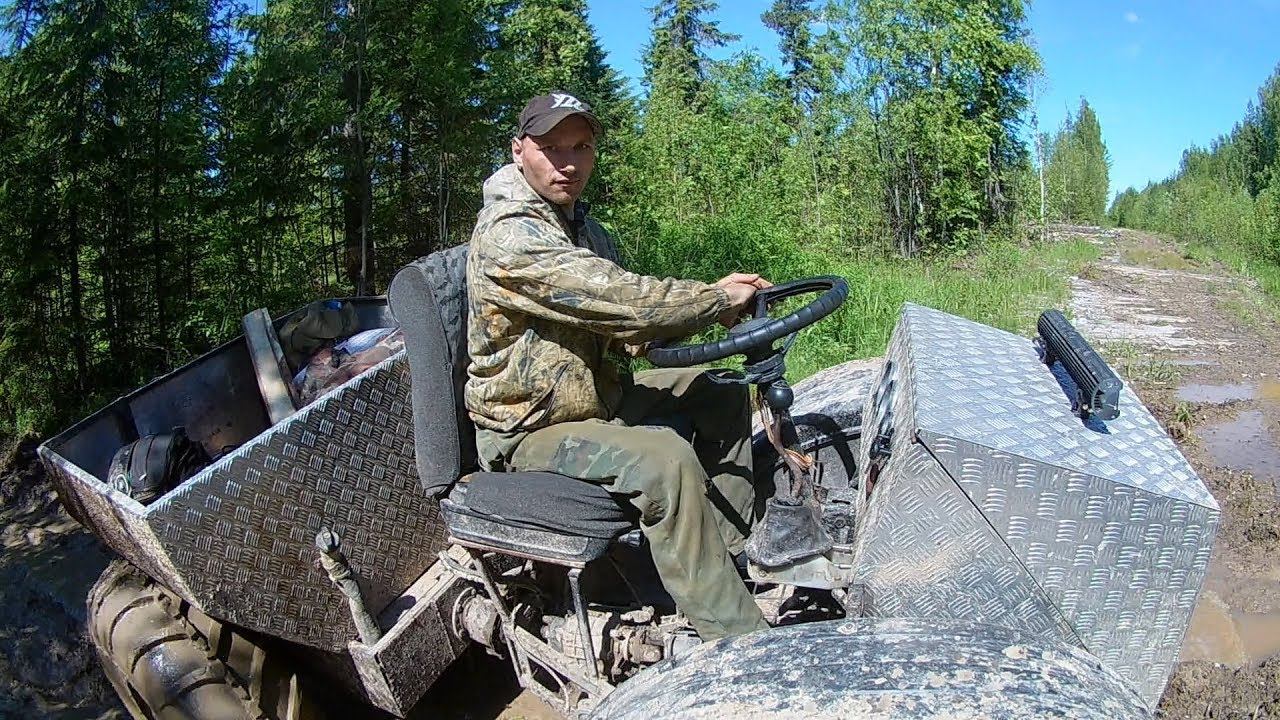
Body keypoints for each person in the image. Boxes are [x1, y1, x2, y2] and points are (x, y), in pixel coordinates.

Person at [464, 91, 770, 640]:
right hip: (530, 427)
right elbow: (623, 299)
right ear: (518, 151)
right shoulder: (509, 235)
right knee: (667, 460)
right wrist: (715, 299)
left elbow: (629, 329)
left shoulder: (587, 230)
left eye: (581, 147)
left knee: (720, 387)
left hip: (598, 397)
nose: (568, 162)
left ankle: (725, 559)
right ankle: (739, 642)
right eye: (550, 147)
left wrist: (700, 321)